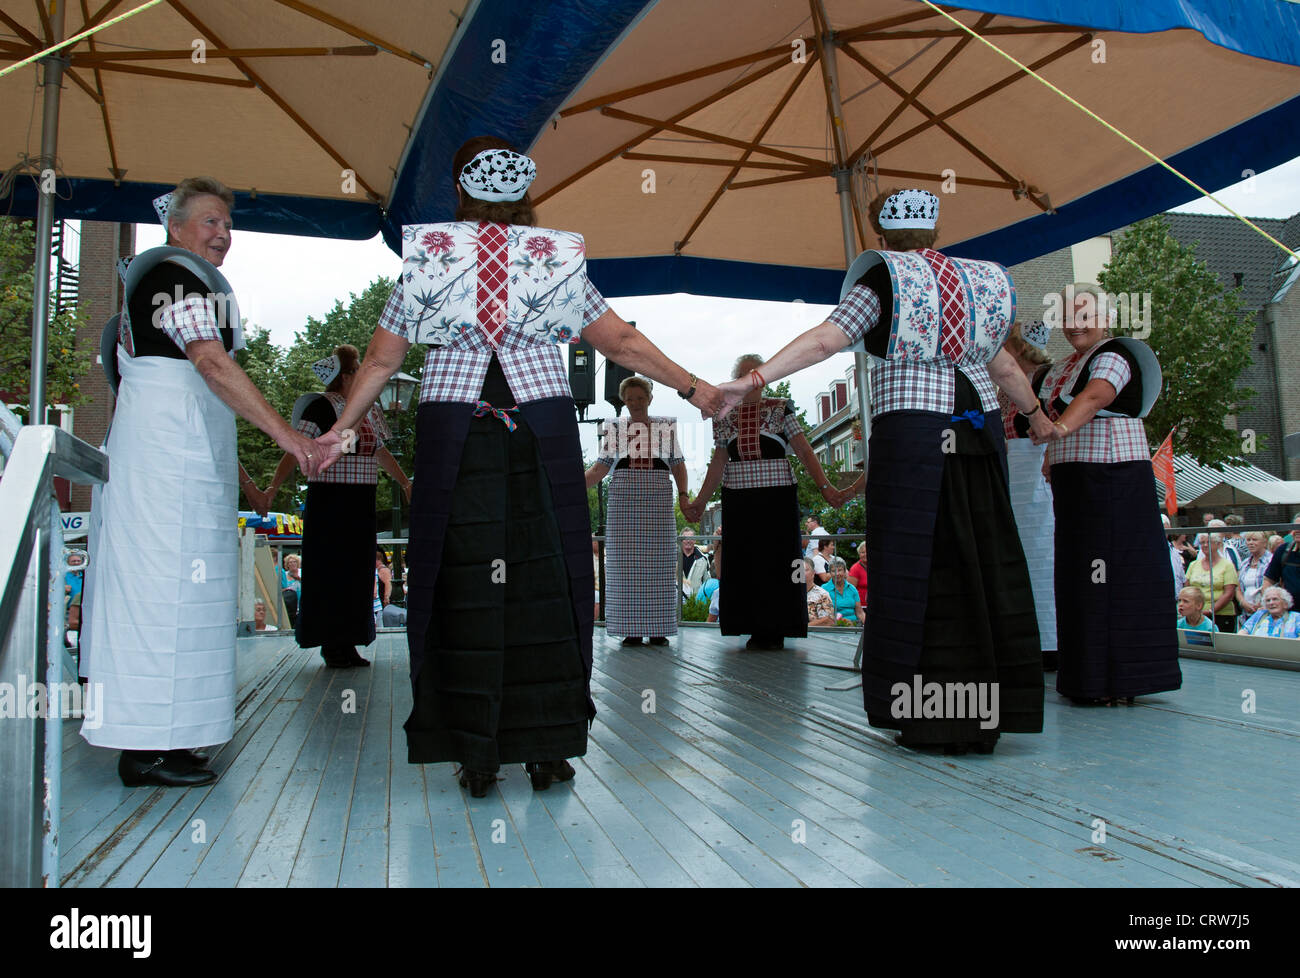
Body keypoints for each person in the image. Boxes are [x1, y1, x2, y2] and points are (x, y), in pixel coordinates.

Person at [313, 137, 722, 798]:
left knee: (463, 583)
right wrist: (694, 387)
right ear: (523, 195)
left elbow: (382, 361)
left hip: (458, 430)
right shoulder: (553, 257)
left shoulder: (428, 256)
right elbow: (618, 340)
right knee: (549, 581)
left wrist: (340, 428)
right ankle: (546, 744)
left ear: (458, 191)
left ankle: (476, 748)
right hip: (541, 429)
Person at [717, 189, 1049, 752]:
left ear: (880, 237)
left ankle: (928, 713)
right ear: (937, 230)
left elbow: (826, 339)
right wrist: (1040, 419)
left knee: (916, 562)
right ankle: (989, 709)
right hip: (977, 432)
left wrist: (752, 380)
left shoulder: (883, 282)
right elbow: (1006, 365)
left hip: (915, 434)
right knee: (981, 557)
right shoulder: (979, 282)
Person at [80, 177, 320, 788]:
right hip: (161, 471)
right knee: (159, 599)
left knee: (188, 601)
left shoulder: (177, 279)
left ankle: (175, 736)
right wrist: (289, 437)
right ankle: (142, 748)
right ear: (176, 227)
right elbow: (210, 361)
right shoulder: (172, 276)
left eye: (227, 225)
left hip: (180, 464)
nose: (223, 235)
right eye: (210, 222)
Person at [1036, 281, 1180, 706]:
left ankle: (1117, 679)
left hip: (1112, 477)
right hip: (1076, 477)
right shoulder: (1065, 364)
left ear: (1107, 318)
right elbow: (1053, 409)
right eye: (1067, 317)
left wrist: (1059, 429)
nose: (1074, 325)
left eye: (1084, 316)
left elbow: (1096, 396)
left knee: (1110, 574)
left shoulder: (1113, 355)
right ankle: (1087, 675)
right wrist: (1051, 452)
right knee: (1081, 574)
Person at [683, 353, 846, 651]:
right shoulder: (723, 414)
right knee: (744, 563)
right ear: (737, 380)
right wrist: (699, 501)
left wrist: (825, 486)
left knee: (780, 563)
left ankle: (778, 627)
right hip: (739, 500)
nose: (750, 379)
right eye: (743, 374)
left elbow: (805, 450)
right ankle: (750, 626)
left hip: (777, 501)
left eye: (755, 373)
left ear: (764, 377)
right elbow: (718, 462)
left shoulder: (781, 410)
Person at [262, 345, 410, 668]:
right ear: (345, 376)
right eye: (357, 368)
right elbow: (294, 448)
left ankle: (348, 641)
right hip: (330, 500)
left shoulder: (368, 409)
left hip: (360, 500)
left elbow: (380, 452)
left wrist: (404, 482)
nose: (361, 373)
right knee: (332, 571)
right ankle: (332, 643)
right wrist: (273, 486)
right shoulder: (321, 407)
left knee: (356, 571)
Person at [585, 381, 690, 647]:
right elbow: (599, 469)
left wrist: (686, 497)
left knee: (660, 564)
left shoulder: (665, 426)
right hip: (623, 503)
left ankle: (658, 630)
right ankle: (629, 629)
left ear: (650, 398)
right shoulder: (614, 428)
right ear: (624, 400)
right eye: (630, 398)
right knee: (623, 566)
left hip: (658, 501)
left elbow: (678, 466)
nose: (636, 402)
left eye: (641, 397)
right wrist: (568, 484)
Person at [995, 319, 1059, 671]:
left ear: (1018, 347)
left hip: (1034, 475)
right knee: (1016, 553)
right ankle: (1021, 637)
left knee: (1041, 554)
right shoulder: (1005, 385)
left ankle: (1048, 641)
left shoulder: (1045, 380)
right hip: (1011, 474)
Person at [1185, 531, 1239, 634]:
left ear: (1218, 544)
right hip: (1196, 615)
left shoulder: (1227, 565)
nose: (1205, 545)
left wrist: (1210, 611)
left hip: (1222, 615)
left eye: (1209, 542)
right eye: (1202, 542)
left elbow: (1229, 594)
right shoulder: (1193, 565)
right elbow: (1187, 589)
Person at [1236, 531, 1271, 620]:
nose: (1251, 543)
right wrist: (1243, 603)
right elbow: (1238, 588)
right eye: (1248, 540)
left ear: (1264, 542)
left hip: (1266, 611)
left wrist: (1262, 603)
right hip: (1246, 613)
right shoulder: (1244, 563)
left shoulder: (1271, 561)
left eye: (1255, 540)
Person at [822, 557, 864, 624]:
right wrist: (844, 622)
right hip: (834, 627)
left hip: (854, 626)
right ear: (829, 573)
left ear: (844, 571)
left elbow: (859, 612)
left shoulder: (852, 589)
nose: (837, 574)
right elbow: (824, 615)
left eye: (840, 570)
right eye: (833, 571)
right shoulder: (824, 589)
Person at [1161, 515, 1187, 602]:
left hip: (1177, 600)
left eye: (1166, 530)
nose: (1164, 533)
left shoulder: (1174, 552)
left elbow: (1182, 578)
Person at [804, 557, 836, 626]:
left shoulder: (822, 595)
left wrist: (804, 628)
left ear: (813, 573)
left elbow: (829, 621)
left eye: (805, 570)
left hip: (815, 634)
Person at [279, 552, 301, 628]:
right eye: (290, 562)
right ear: (287, 565)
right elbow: (280, 589)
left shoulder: (301, 572)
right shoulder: (284, 574)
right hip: (290, 605)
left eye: (294, 562)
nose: (292, 564)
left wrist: (297, 578)